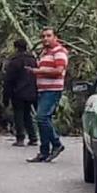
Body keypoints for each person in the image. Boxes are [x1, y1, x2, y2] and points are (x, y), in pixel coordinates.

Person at [26, 27, 68, 163]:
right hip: (43, 90)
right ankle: (44, 151)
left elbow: (59, 70)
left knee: (42, 117)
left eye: (48, 36)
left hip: (53, 90)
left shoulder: (59, 52)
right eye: (43, 36)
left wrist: (38, 71)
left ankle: (56, 144)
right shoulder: (45, 53)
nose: (45, 39)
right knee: (42, 119)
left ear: (55, 37)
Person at [3, 38, 38, 147]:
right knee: (27, 114)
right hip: (32, 91)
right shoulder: (33, 60)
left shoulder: (14, 61)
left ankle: (20, 138)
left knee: (18, 114)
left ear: (15, 47)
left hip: (18, 92)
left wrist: (6, 97)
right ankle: (33, 137)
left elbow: (9, 80)